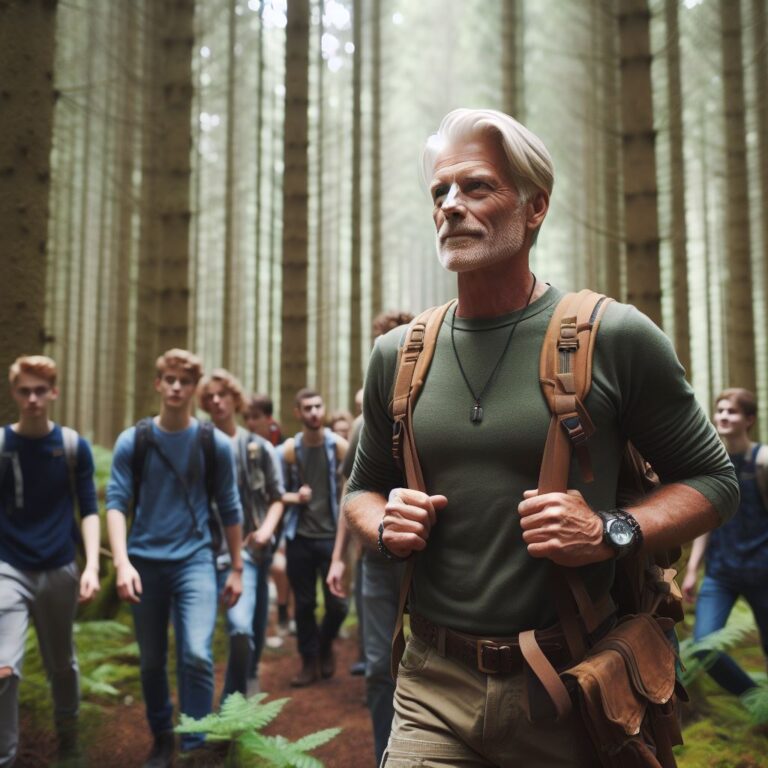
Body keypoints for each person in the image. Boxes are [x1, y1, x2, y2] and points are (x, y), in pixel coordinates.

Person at [343, 108, 738, 766]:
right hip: (430, 684)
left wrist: (610, 530)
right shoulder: (398, 355)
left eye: (476, 187)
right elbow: (360, 493)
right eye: (440, 192)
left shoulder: (615, 337)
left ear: (534, 207)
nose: (451, 206)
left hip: (566, 684)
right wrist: (384, 520)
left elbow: (715, 483)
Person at [106, 349, 243, 768]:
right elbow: (115, 501)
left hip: (196, 562)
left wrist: (237, 568)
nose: (176, 387)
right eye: (169, 379)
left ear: (194, 388)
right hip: (144, 562)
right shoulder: (135, 440)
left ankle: (194, 743)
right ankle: (163, 735)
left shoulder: (212, 442)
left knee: (197, 653)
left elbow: (230, 506)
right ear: (158, 384)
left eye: (184, 381)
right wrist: (121, 562)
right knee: (151, 660)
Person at [0, 355, 100, 767]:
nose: (33, 399)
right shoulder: (3, 445)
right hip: (9, 568)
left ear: (54, 392)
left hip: (60, 567)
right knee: (4, 668)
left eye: (41, 390)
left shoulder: (73, 446)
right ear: (14, 394)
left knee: (63, 664)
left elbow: (89, 508)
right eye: (25, 391)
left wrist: (92, 565)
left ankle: (69, 741)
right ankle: (5, 755)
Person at [327, 311, 414, 766]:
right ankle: (387, 752)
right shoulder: (363, 426)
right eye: (383, 342)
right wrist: (339, 558)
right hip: (378, 562)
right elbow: (353, 492)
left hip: (432, 560)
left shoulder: (437, 409)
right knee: (380, 664)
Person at [198, 369, 285, 698]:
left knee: (252, 622)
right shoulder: (199, 446)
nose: (216, 401)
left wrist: (265, 531)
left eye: (222, 394)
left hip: (254, 549)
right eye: (209, 397)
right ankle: (229, 701)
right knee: (238, 628)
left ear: (236, 399)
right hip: (209, 551)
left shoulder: (259, 448)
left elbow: (277, 498)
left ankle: (244, 683)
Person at [682, 388, 768, 696]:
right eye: (719, 411)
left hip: (763, 573)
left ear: (749, 419)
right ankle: (755, 698)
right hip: (721, 574)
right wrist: (692, 568)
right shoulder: (709, 462)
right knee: (705, 646)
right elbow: (708, 519)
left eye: (731, 411)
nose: (723, 417)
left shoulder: (762, 461)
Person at [280, 388, 349, 687]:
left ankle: (324, 645)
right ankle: (308, 661)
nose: (314, 412)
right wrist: (295, 496)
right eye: (307, 408)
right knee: (304, 604)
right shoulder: (289, 450)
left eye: (318, 406)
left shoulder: (339, 447)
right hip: (300, 538)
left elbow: (357, 483)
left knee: (337, 605)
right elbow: (275, 493)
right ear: (298, 412)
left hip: (332, 538)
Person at [245, 394, 293, 638]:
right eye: (247, 417)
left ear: (268, 418)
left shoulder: (283, 446)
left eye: (256, 417)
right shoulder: (243, 445)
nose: (251, 423)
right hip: (253, 518)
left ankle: (283, 613)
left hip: (284, 518)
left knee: (281, 566)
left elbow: (288, 486)